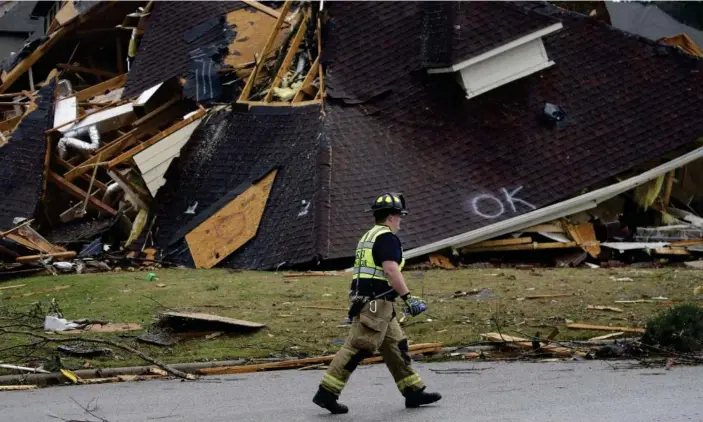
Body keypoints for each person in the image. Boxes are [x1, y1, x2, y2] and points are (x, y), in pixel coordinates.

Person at [312, 192, 442, 414]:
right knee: (358, 346)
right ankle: (327, 393)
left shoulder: (368, 236)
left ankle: (413, 391)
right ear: (391, 216)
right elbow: (391, 270)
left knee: (396, 346)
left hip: (375, 303)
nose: (400, 221)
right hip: (376, 304)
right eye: (399, 216)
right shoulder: (387, 238)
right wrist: (408, 297)